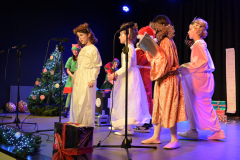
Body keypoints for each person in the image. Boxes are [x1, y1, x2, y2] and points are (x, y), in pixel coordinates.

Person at [141, 15, 187, 149]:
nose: (154, 32)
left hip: (168, 78)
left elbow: (165, 63)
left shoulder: (166, 41)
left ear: (160, 28)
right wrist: (149, 51)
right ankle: (156, 136)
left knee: (169, 107)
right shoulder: (162, 42)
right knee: (159, 107)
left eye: (155, 29)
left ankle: (174, 139)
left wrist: (153, 53)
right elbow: (158, 59)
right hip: (162, 78)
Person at [178, 18, 226, 140]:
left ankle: (217, 130)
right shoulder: (199, 44)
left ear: (195, 29)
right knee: (197, 103)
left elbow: (202, 63)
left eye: (189, 29)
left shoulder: (199, 45)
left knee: (203, 104)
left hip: (201, 79)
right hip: (201, 78)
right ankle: (193, 129)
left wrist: (184, 67)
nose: (188, 32)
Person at [108, 22, 151, 136]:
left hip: (130, 77)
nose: (119, 37)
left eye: (121, 34)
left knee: (127, 100)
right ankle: (127, 128)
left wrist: (115, 74)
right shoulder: (128, 47)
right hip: (128, 76)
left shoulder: (128, 48)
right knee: (125, 100)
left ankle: (128, 128)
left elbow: (127, 65)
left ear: (127, 35)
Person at [70, 23, 102, 127]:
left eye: (82, 35)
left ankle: (86, 127)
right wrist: (75, 77)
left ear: (88, 35)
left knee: (86, 102)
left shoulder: (93, 49)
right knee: (78, 102)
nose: (80, 38)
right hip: (79, 77)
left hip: (87, 77)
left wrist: (92, 79)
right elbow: (79, 66)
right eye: (78, 36)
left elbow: (96, 66)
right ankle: (77, 125)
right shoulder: (82, 49)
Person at [134, 26, 155, 133]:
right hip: (145, 73)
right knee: (147, 96)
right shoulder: (149, 49)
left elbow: (139, 60)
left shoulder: (146, 50)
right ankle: (147, 121)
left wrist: (139, 50)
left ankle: (145, 122)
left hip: (143, 73)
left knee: (144, 96)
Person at [62, 44, 81, 118]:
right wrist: (73, 76)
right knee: (70, 94)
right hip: (71, 78)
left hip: (79, 77)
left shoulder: (81, 59)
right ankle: (66, 110)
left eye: (76, 50)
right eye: (74, 50)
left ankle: (78, 111)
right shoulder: (70, 59)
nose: (75, 52)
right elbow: (67, 70)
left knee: (78, 94)